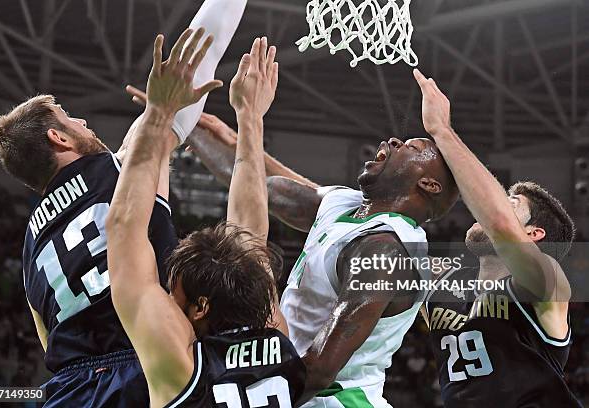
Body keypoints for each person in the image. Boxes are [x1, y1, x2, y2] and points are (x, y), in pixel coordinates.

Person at [0, 0, 247, 403]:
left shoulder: (30, 246)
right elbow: (194, 60)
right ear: (59, 138)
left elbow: (48, 341)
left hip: (68, 389)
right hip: (143, 361)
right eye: (69, 117)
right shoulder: (121, 167)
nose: (83, 122)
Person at [178, 104, 459, 406]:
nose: (393, 142)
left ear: (428, 184)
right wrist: (180, 126)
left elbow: (320, 369)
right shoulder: (346, 206)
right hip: (292, 386)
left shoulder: (386, 250)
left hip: (332, 399)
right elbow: (256, 188)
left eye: (410, 147)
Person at [106, 34, 305, 408]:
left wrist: (159, 115)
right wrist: (250, 118)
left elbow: (123, 228)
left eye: (173, 290)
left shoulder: (180, 366)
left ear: (200, 308)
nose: (167, 296)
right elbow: (250, 233)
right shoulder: (277, 338)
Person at [413, 68, 582, 407]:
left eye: (510, 203)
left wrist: (442, 131)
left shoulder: (548, 283)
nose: (487, 209)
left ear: (534, 234)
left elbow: (501, 226)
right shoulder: (445, 282)